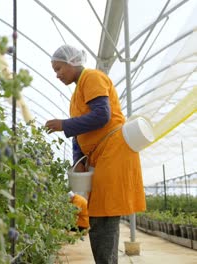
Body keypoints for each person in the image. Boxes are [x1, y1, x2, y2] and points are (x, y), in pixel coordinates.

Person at [45, 45, 146, 264]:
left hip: (114, 152)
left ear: (72, 62)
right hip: (101, 155)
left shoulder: (91, 77)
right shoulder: (78, 91)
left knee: (104, 214)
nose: (57, 74)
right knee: (100, 215)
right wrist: (78, 160)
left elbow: (101, 115)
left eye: (59, 68)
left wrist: (63, 124)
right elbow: (80, 130)